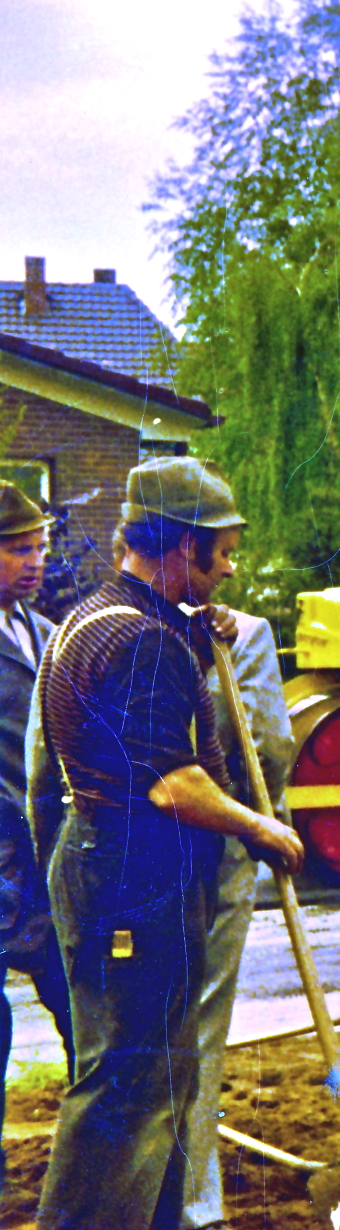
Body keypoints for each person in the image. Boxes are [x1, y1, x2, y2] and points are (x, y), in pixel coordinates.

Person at [33, 458, 305, 1230]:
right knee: (129, 1078)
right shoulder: (145, 642)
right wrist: (261, 829)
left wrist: (195, 627)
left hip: (107, 867)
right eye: (220, 550)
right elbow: (169, 782)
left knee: (148, 1072)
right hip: (133, 878)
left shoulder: (101, 617)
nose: (230, 566)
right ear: (180, 547)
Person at [174, 606, 293, 1230]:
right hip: (217, 850)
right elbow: (269, 745)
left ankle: (148, 1202)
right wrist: (265, 826)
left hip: (117, 860)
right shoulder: (241, 634)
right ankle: (194, 1209)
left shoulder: (89, 623)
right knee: (201, 1021)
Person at [0, 485, 75, 1172]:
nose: (34, 562)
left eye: (40, 548)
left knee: (80, 1005)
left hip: (45, 859)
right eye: (19, 548)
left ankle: (98, 1169)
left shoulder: (46, 635)